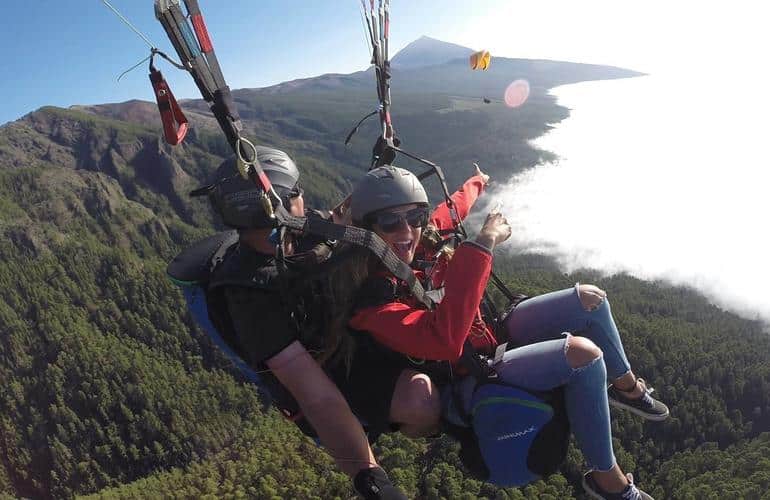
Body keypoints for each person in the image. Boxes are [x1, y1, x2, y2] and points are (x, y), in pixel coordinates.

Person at [326, 165, 656, 499]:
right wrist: (485, 242)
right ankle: (610, 483)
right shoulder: (372, 304)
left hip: (485, 340)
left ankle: (628, 389)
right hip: (464, 376)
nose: (407, 229)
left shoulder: (414, 242)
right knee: (583, 356)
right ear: (365, 230)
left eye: (415, 216)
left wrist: (477, 182)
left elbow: (450, 210)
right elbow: (444, 340)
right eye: (389, 221)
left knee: (590, 300)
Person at [187, 148, 406, 500]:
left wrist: (377, 181)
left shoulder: (293, 234)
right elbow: (316, 396)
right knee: (422, 405)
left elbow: (336, 217)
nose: (304, 196)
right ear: (281, 204)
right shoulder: (249, 295)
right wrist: (371, 477)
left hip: (338, 339)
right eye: (298, 191)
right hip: (328, 374)